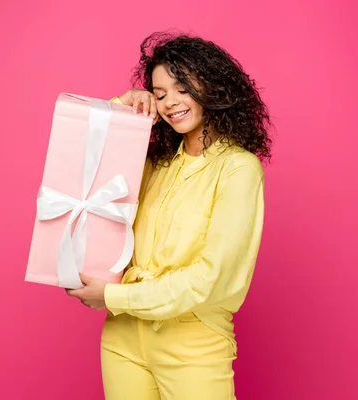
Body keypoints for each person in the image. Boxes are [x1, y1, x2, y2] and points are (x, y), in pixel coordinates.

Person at [66, 31, 272, 400]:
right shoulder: (152, 164)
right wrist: (123, 108)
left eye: (181, 89)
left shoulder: (238, 169)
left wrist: (114, 297)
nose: (169, 103)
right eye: (159, 94)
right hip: (123, 338)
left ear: (213, 88)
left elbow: (210, 279)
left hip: (192, 342)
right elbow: (83, 173)